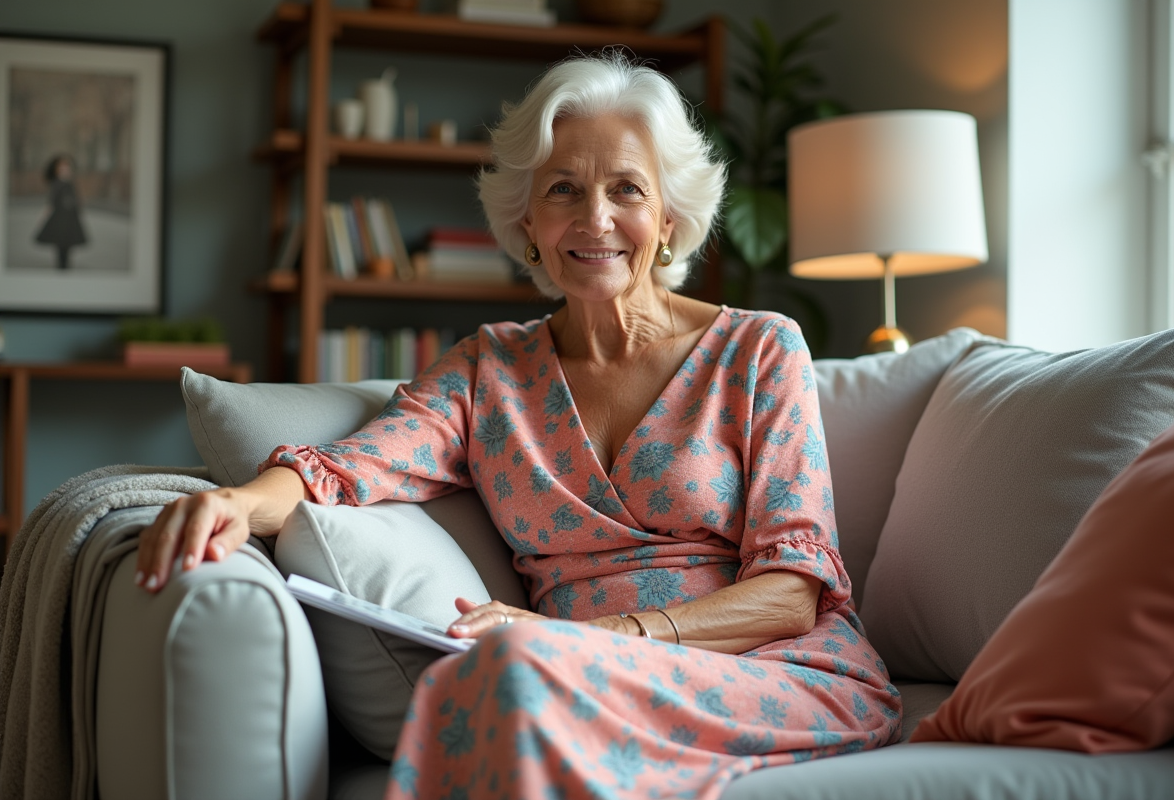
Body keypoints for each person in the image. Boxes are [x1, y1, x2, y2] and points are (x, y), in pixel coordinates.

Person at [135, 53, 902, 799]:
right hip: (564, 673)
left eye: (626, 189)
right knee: (499, 681)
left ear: (668, 218)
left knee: (509, 678)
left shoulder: (760, 349)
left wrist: (602, 641)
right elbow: (349, 468)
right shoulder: (489, 370)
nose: (594, 219)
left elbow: (792, 594)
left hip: (769, 669)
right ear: (527, 220)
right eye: (564, 189)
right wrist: (238, 503)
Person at [35, 154, 88, 270]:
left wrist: (78, 209)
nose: (66, 171)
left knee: (68, 244)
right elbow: (51, 202)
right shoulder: (56, 184)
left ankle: (65, 265)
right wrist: (43, 217)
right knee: (60, 244)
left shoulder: (70, 183)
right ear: (58, 171)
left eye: (67, 168)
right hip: (59, 220)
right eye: (62, 169)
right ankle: (61, 266)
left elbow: (75, 199)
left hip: (69, 219)